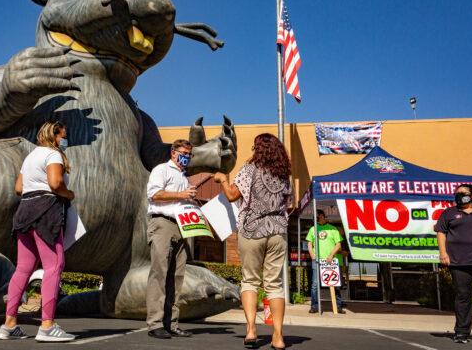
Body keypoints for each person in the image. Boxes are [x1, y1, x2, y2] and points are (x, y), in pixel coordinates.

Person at [0, 121, 75, 342]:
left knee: (23, 268)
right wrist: (69, 194)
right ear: (55, 135)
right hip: (46, 209)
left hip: (24, 211)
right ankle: (47, 326)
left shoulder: (30, 157)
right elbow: (55, 183)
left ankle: (9, 324)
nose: (65, 140)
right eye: (63, 135)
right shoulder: (53, 154)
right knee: (54, 265)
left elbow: (19, 188)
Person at [214, 133, 291, 350]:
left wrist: (223, 180)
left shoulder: (249, 169)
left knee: (250, 281)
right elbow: (289, 204)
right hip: (277, 232)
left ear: (259, 149)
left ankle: (250, 330)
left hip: (252, 230)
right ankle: (278, 336)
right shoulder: (284, 174)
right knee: (274, 284)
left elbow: (231, 195)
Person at [145, 139, 196, 339]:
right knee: (159, 273)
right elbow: (154, 194)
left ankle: (171, 323)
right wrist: (181, 194)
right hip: (163, 223)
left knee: (177, 276)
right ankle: (155, 323)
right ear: (174, 152)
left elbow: (180, 198)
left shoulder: (183, 176)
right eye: (184, 153)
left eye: (189, 154)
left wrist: (188, 199)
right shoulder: (161, 170)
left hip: (181, 226)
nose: (187, 157)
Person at [435, 184, 472, 344]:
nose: (459, 196)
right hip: (459, 262)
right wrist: (443, 253)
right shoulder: (449, 213)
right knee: (463, 297)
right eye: (457, 193)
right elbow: (440, 232)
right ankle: (461, 333)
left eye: (463, 193)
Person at [306, 209, 345, 314]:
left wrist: (331, 255)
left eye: (319, 216)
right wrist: (312, 255)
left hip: (331, 261)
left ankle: (338, 306)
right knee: (315, 284)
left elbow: (338, 244)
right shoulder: (312, 229)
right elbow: (309, 243)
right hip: (317, 260)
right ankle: (314, 306)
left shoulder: (333, 229)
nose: (318, 218)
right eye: (316, 217)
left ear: (323, 216)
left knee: (335, 284)